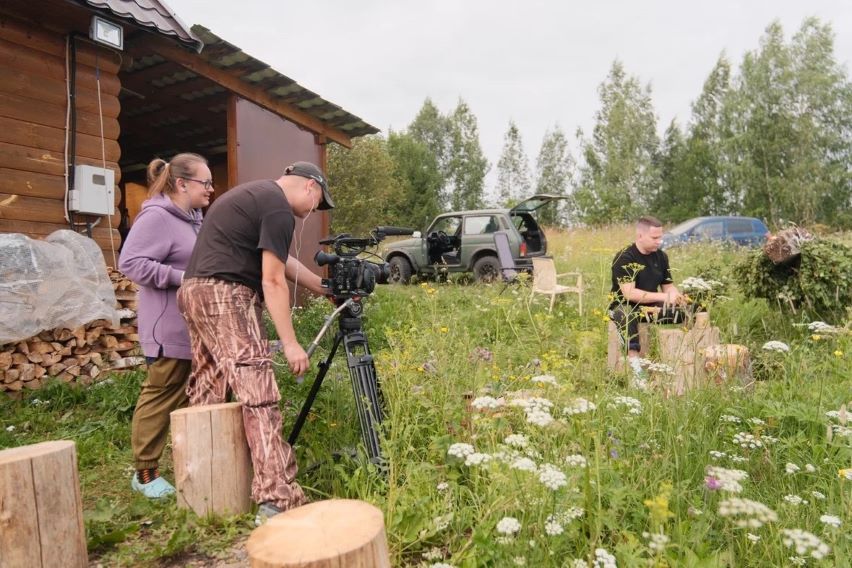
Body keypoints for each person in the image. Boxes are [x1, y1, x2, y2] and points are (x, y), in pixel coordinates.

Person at [177, 161, 334, 524]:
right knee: (258, 394)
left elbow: (285, 262)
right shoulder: (278, 208)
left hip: (194, 291)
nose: (315, 210)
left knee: (208, 387)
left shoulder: (254, 195)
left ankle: (206, 493)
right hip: (227, 296)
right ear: (311, 187)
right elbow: (274, 280)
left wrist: (322, 288)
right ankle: (277, 499)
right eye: (319, 202)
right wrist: (291, 343)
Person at [118, 152, 213, 498]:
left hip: (193, 326)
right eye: (205, 183)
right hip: (166, 327)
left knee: (191, 394)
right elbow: (130, 262)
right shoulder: (157, 217)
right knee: (160, 395)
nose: (211, 189)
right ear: (182, 183)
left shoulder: (192, 219)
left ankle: (192, 463)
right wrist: (182, 277)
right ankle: (144, 473)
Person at [609, 215, 687, 378]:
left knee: (687, 310)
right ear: (640, 236)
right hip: (624, 306)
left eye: (661, 237)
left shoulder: (662, 256)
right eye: (655, 238)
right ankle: (636, 369)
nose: (659, 241)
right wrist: (664, 298)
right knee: (626, 315)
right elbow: (629, 293)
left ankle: (683, 362)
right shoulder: (625, 257)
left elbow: (668, 287)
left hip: (650, 308)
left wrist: (676, 297)